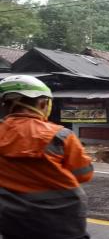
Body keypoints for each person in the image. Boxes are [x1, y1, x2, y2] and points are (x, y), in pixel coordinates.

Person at [0, 75, 94, 239]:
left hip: (11, 218)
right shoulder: (61, 135)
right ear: (43, 103)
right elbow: (83, 174)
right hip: (62, 220)